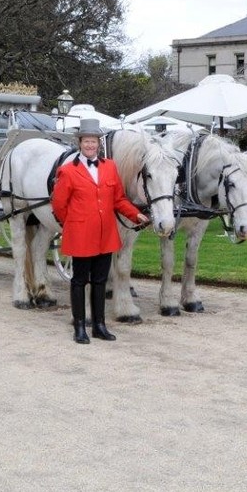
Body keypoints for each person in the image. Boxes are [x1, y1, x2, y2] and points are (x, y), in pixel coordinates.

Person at [51, 118, 150, 344]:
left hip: (105, 236)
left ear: (99, 144)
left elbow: (118, 199)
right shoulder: (67, 171)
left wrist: (135, 214)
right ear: (80, 143)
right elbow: (58, 204)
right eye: (86, 141)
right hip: (81, 235)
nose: (90, 146)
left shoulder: (109, 167)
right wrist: (74, 223)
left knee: (99, 280)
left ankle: (99, 325)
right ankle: (79, 326)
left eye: (93, 142)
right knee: (79, 281)